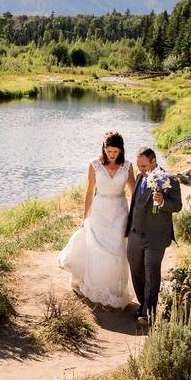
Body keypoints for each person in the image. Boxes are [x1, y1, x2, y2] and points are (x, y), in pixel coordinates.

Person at [58, 131, 136, 308]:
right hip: (100, 212)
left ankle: (115, 291)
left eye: (115, 151)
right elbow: (89, 191)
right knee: (97, 250)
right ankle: (95, 287)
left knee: (117, 251)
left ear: (121, 150)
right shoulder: (94, 165)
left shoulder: (127, 167)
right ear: (104, 148)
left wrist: (134, 216)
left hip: (120, 212)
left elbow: (134, 192)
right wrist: (85, 215)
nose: (112, 155)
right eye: (109, 151)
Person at [126, 147, 182, 327]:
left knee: (151, 273)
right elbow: (134, 205)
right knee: (136, 271)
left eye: (143, 165)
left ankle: (147, 313)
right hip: (135, 235)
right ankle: (143, 303)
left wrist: (163, 202)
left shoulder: (169, 180)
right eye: (138, 165)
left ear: (154, 161)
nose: (140, 169)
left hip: (155, 237)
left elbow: (177, 205)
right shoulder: (140, 177)